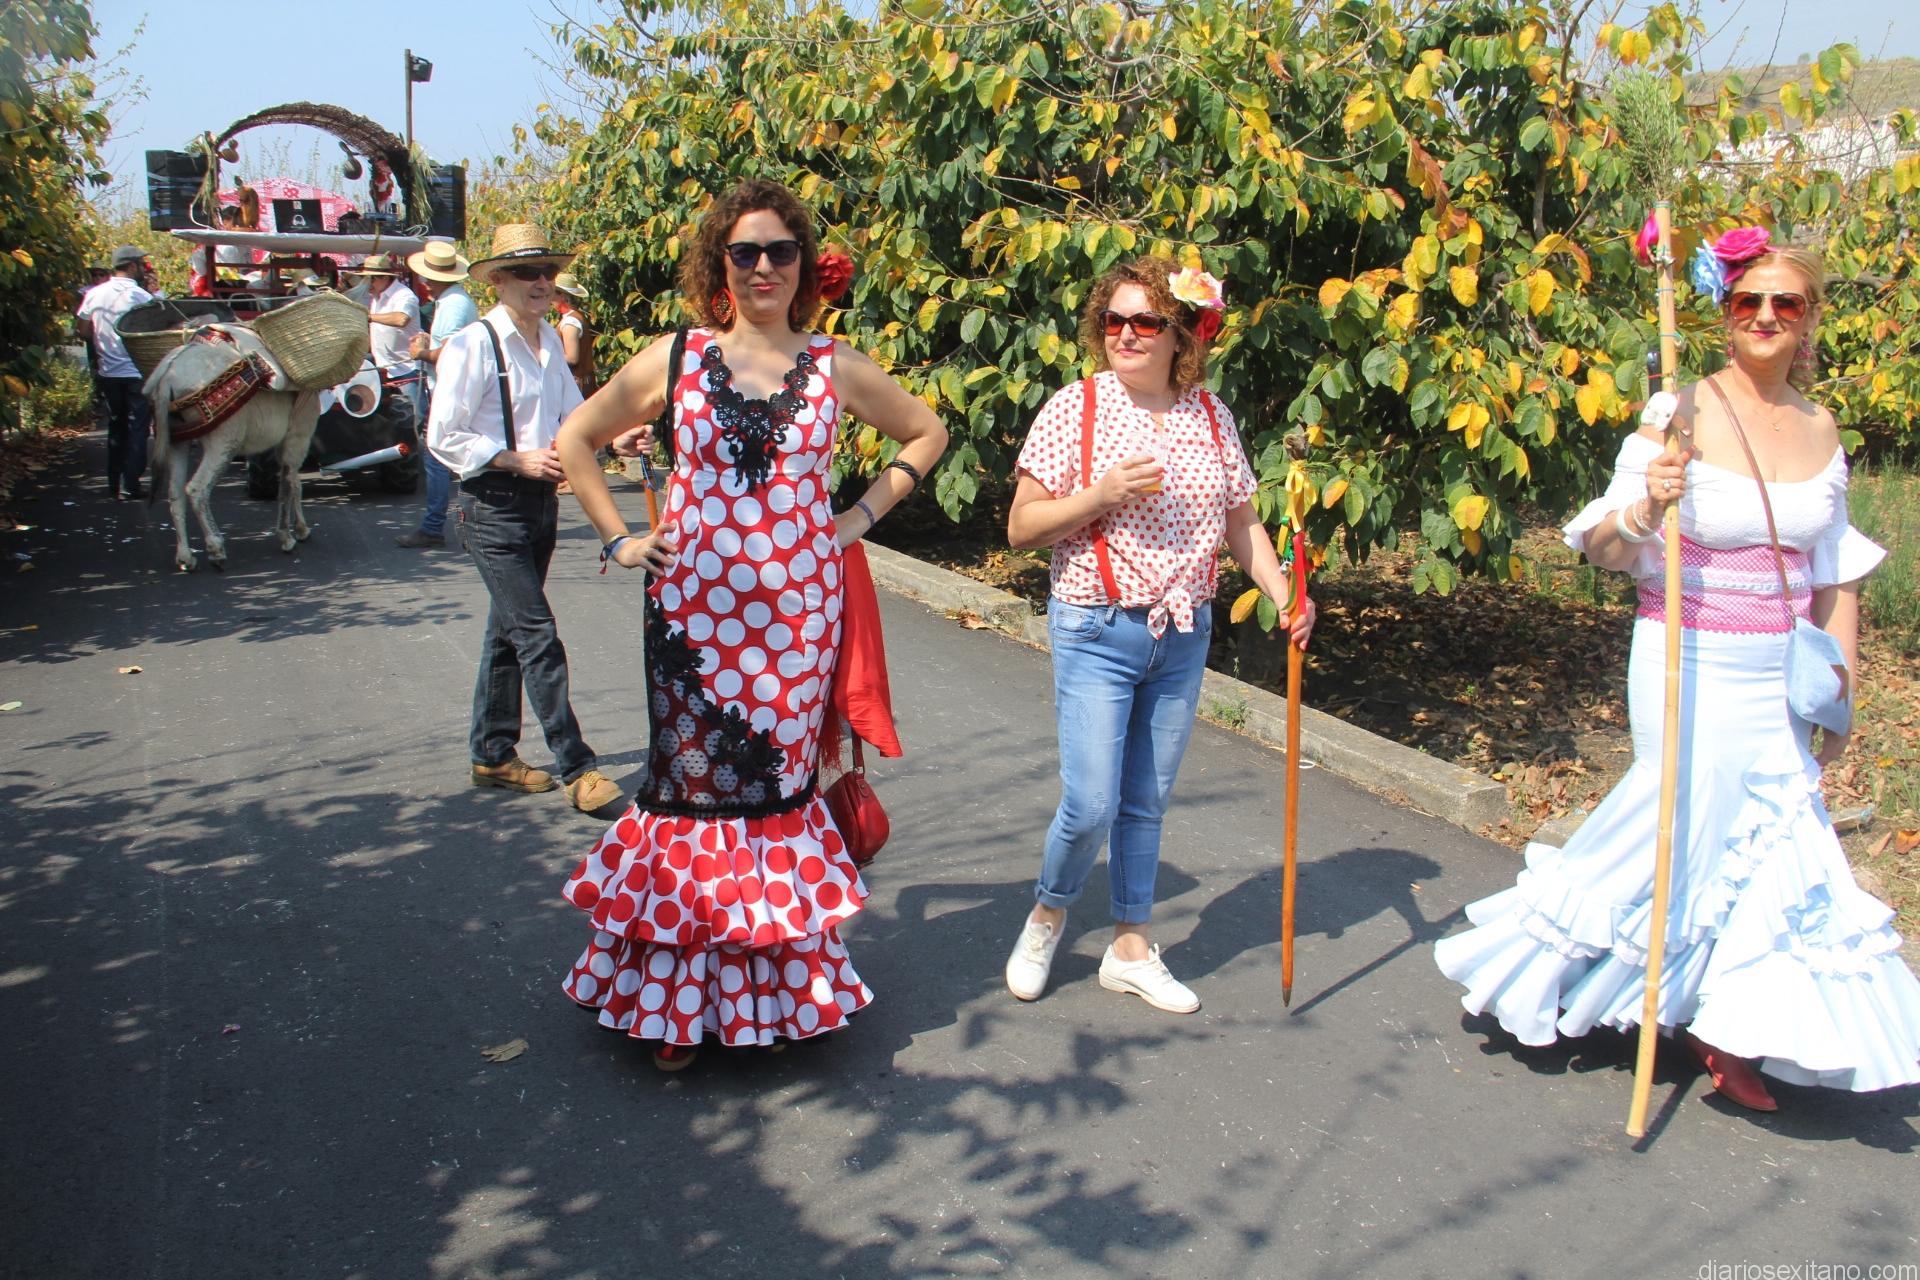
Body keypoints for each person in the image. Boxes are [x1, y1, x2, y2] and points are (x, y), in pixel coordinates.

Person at [1434, 232, 1920, 1109]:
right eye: (1747, 301)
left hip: (1780, 671)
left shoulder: (1822, 427)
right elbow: (1604, 550)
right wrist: (1646, 504)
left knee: (1777, 836)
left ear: (1809, 318)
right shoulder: (1678, 412)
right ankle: (1548, 972)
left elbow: (1835, 575)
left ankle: (1730, 1025)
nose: (1765, 316)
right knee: (1681, 822)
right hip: (1686, 656)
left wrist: (1839, 695)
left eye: (1785, 302)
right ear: (1724, 313)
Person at [553, 178, 947, 1068]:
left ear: (803, 264)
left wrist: (859, 518)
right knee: (689, 796)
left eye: (780, 251)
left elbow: (926, 433)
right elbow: (577, 438)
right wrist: (619, 540)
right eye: (745, 252)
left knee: (774, 800)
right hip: (690, 623)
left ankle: (771, 1002)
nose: (763, 267)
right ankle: (675, 1005)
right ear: (719, 264)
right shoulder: (676, 357)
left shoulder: (836, 365)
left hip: (797, 628)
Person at [1002, 256, 1317, 1014]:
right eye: (1114, 319)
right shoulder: (1075, 409)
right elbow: (1021, 527)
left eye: (1145, 321)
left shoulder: (1210, 416)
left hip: (1182, 634)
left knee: (1145, 801)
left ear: (1181, 334)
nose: (1126, 334)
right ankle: (1047, 916)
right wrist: (1100, 494)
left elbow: (1241, 521)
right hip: (1096, 624)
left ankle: (1130, 948)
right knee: (1090, 804)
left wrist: (1285, 594)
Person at [424, 224, 622, 817]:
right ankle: (578, 767)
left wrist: (615, 439)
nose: (542, 282)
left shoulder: (548, 343)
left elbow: (573, 422)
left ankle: (492, 754)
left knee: (508, 633)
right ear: (499, 280)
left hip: (540, 504)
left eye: (548, 272)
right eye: (528, 272)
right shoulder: (474, 344)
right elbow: (443, 435)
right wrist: (514, 458)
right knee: (536, 635)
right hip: (491, 505)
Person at [398, 240, 477, 549]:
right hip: (452, 389)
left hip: (450, 391)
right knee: (451, 459)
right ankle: (464, 526)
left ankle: (436, 527)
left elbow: (449, 354)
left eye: (429, 277)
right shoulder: (452, 301)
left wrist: (421, 352)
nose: (425, 283)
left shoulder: (454, 305)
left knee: (438, 458)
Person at [74, 245, 156, 500]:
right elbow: (154, 332)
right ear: (131, 266)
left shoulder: (94, 294)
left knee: (116, 425)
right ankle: (130, 483)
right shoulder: (141, 297)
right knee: (138, 428)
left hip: (109, 373)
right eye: (141, 265)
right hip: (136, 373)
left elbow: (83, 330)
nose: (143, 269)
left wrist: (102, 344)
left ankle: (114, 483)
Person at [349, 253, 426, 440]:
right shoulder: (377, 297)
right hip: (386, 368)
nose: (368, 284)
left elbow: (401, 319)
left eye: (371, 279)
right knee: (394, 424)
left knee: (414, 421)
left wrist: (368, 317)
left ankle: (419, 454)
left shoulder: (404, 296)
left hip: (406, 370)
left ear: (384, 278)